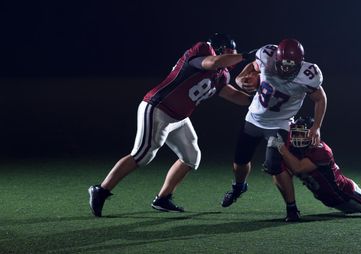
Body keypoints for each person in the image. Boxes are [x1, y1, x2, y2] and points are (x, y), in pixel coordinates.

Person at [88, 33, 255, 217]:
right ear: (222, 49)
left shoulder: (221, 75)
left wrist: (259, 100)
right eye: (232, 52)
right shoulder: (203, 50)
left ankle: (163, 198)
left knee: (191, 157)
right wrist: (247, 56)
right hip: (159, 107)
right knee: (143, 155)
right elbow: (212, 62)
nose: (235, 57)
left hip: (179, 117)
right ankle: (101, 190)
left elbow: (231, 94)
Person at [221, 38, 327, 222]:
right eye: (282, 65)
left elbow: (320, 98)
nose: (286, 69)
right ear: (275, 58)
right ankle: (239, 186)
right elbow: (253, 66)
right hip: (254, 118)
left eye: (291, 66)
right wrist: (240, 80)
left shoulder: (309, 74)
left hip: (280, 123)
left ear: (300, 63)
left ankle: (292, 208)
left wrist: (316, 126)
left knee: (275, 166)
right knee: (239, 162)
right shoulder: (266, 55)